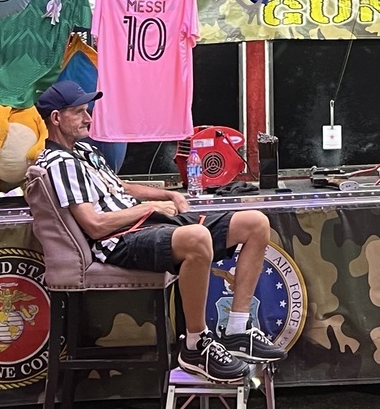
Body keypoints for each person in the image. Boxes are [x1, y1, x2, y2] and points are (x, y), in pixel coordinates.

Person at [30, 80, 284, 384]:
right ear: (56, 118)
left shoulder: (84, 150)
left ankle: (237, 330)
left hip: (145, 225)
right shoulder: (58, 162)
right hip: (119, 240)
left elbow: (120, 187)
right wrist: (148, 209)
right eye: (80, 112)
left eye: (88, 110)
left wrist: (166, 195)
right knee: (197, 239)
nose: (88, 118)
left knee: (255, 223)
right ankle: (195, 346)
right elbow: (95, 225)